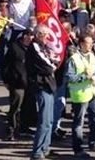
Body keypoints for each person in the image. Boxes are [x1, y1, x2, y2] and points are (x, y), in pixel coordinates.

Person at [66, 34, 95, 157]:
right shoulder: (74, 59)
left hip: (93, 91)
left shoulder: (91, 55)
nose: (91, 45)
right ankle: (78, 148)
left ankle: (94, 141)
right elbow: (70, 77)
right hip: (81, 95)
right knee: (79, 123)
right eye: (89, 43)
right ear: (82, 44)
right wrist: (85, 77)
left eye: (92, 42)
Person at [26, 24, 59, 160]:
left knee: (50, 120)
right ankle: (37, 151)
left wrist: (53, 62)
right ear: (39, 35)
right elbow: (48, 66)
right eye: (45, 35)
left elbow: (56, 59)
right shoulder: (34, 47)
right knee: (44, 121)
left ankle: (45, 147)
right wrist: (53, 64)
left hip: (49, 86)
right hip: (41, 86)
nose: (47, 38)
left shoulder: (45, 47)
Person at [1, 28, 34, 141]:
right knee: (15, 107)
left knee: (27, 107)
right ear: (24, 36)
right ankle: (11, 129)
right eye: (29, 36)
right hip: (17, 83)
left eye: (32, 36)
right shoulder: (14, 47)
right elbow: (5, 64)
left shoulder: (32, 48)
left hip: (29, 83)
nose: (31, 38)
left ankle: (24, 127)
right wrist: (5, 80)